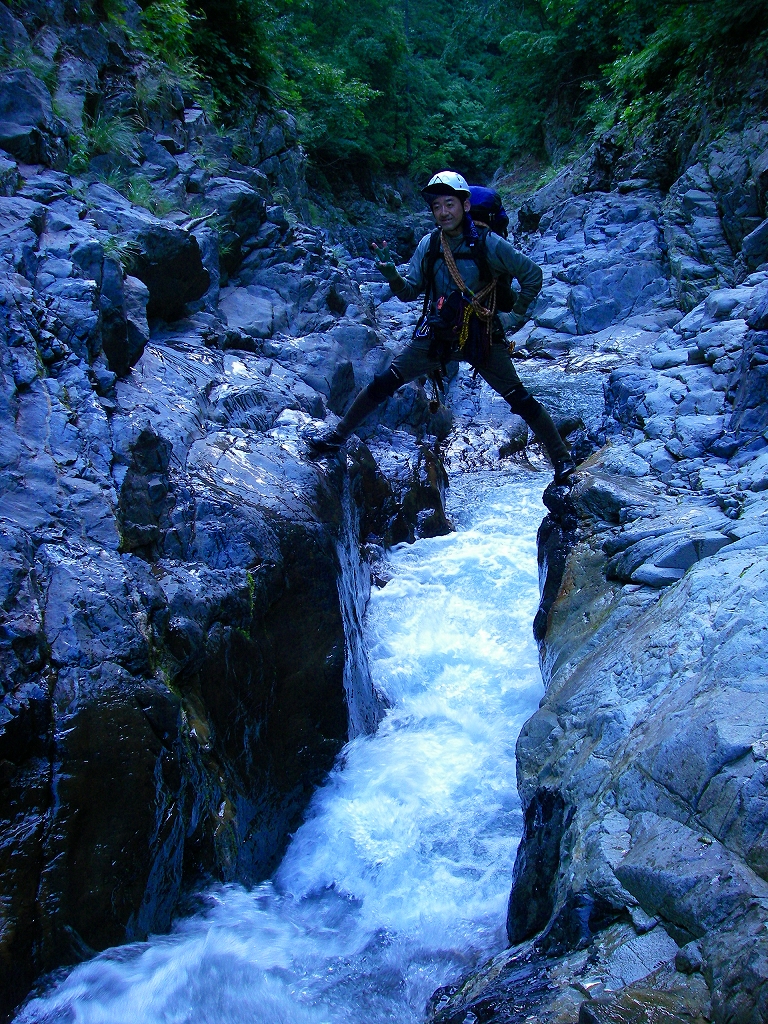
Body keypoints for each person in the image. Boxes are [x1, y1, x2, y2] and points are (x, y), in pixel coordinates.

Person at [305, 170, 576, 486]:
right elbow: (409, 291)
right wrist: (392, 274)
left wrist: (512, 317)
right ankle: (337, 437)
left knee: (519, 399)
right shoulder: (430, 244)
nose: (443, 212)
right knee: (384, 383)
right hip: (436, 333)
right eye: (437, 207)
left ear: (465, 204)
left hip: (482, 334)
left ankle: (562, 460)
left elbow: (532, 275)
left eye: (450, 204)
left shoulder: (489, 244)